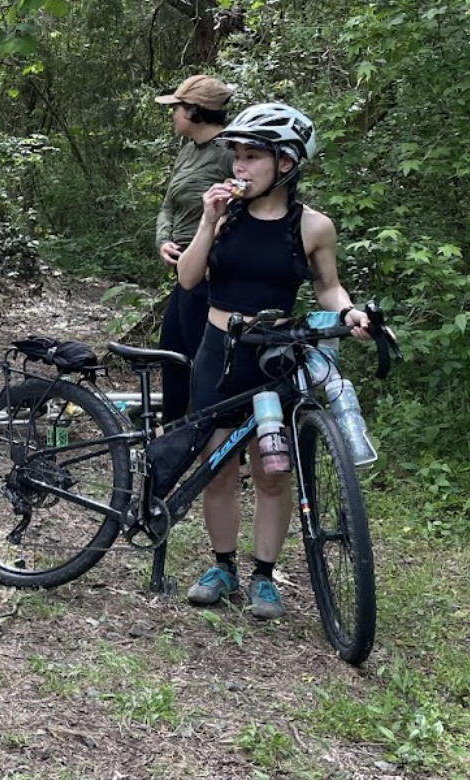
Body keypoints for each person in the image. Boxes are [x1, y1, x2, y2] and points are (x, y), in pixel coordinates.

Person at [175, 102, 373, 621]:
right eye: (236, 157)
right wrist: (208, 221)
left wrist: (350, 312)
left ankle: (264, 576)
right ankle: (222, 567)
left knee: (272, 471)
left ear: (285, 163)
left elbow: (329, 288)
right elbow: (189, 279)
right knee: (216, 467)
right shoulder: (223, 215)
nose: (239, 167)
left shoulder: (313, 226)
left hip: (275, 360)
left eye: (252, 157)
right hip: (217, 353)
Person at [154, 75, 235, 423]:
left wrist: (214, 253)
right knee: (171, 352)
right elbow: (168, 204)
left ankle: (211, 438)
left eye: (177, 107)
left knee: (205, 359)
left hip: (211, 274)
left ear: (195, 112)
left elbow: (244, 211)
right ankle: (173, 435)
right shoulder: (187, 151)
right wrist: (163, 240)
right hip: (184, 267)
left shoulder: (230, 154)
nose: (172, 114)